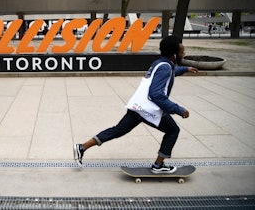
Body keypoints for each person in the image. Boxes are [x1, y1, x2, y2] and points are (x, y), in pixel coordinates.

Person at [73, 35, 199, 173]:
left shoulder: (160, 63)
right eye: (181, 52)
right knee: (173, 130)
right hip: (149, 110)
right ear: (174, 54)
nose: (183, 54)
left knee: (118, 130)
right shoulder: (165, 68)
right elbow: (156, 94)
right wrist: (178, 109)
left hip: (138, 107)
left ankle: (82, 147)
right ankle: (158, 165)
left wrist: (186, 69)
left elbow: (170, 73)